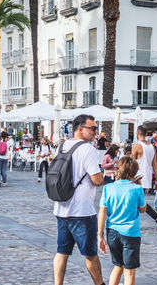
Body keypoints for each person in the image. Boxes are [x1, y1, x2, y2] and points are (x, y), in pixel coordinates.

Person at [53, 113, 106, 285]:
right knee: (90, 254)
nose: (95, 132)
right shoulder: (88, 149)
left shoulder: (61, 147)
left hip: (61, 208)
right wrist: (106, 177)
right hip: (82, 211)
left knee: (62, 252)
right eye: (93, 128)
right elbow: (97, 179)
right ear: (80, 129)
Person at [97, 155, 147, 285]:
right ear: (134, 172)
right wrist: (139, 185)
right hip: (130, 233)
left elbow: (102, 211)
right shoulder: (137, 189)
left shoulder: (108, 188)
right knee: (129, 271)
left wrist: (100, 235)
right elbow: (143, 209)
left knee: (118, 266)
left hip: (112, 232)